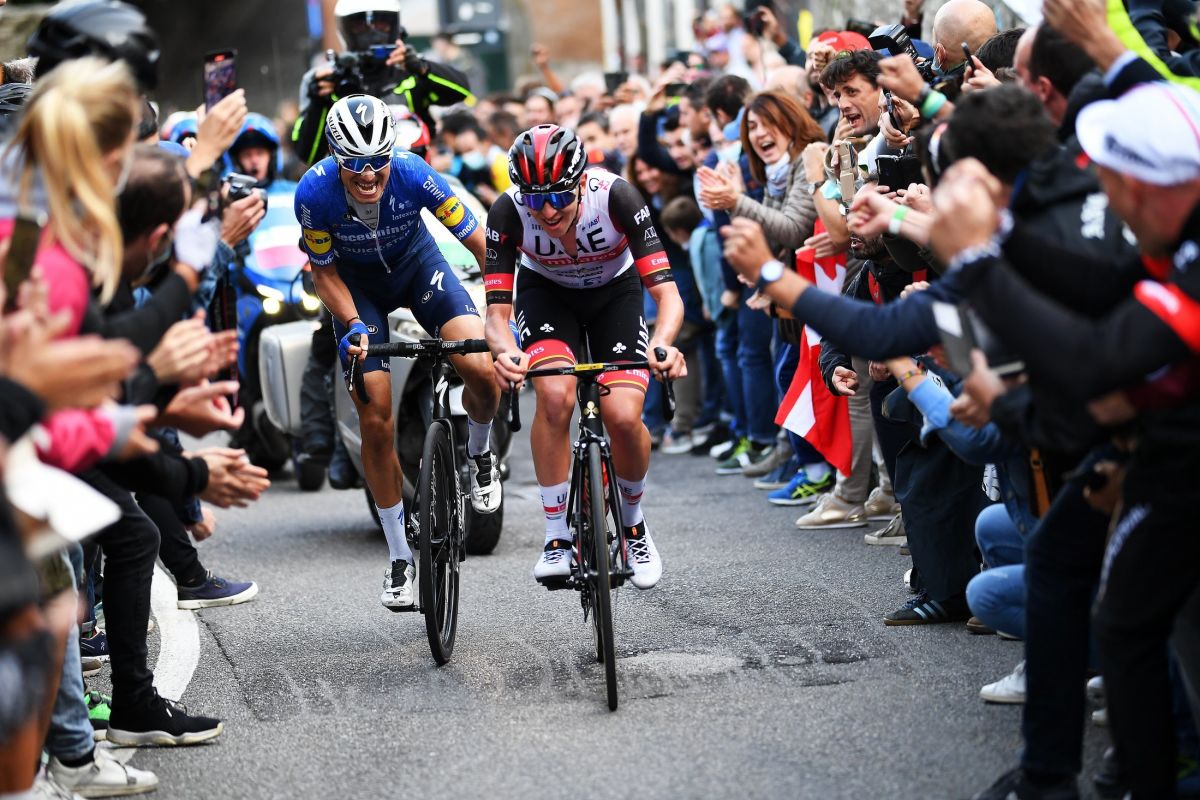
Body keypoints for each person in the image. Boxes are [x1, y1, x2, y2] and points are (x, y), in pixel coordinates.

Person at [295, 94, 501, 610]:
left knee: (480, 368)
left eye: (378, 160)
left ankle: (480, 454)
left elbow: (478, 242)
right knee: (376, 417)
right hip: (357, 292)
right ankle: (399, 555)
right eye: (355, 163)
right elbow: (324, 274)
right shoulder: (313, 193)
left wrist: (502, 309)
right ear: (335, 157)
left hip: (418, 270)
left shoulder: (413, 173)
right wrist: (352, 323)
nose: (369, 175)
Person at [483, 124, 686, 589]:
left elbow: (668, 296)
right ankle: (556, 535)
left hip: (615, 293)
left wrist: (663, 344)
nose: (547, 211)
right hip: (547, 295)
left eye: (558, 195)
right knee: (555, 397)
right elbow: (496, 314)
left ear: (580, 181)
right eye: (535, 199)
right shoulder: (507, 211)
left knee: (623, 414)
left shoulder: (616, 197)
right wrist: (506, 351)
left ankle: (633, 525)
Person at [291, 0, 474, 166]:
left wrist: (423, 68)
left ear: (393, 26)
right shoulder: (326, 80)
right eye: (361, 25)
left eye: (380, 24)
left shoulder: (412, 72)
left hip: (414, 177)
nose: (372, 32)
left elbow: (463, 91)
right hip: (354, 181)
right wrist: (318, 102)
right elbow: (308, 155)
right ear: (346, 29)